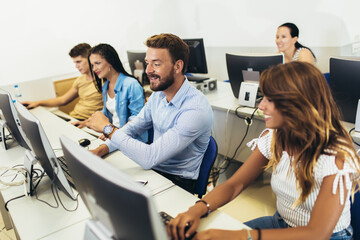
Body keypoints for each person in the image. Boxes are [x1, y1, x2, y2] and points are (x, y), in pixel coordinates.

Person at [167, 62, 360, 240]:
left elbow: (317, 233)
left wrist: (244, 236)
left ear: (297, 105)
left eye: (270, 99)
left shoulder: (336, 158)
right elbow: (235, 184)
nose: (260, 105)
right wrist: (198, 208)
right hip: (281, 223)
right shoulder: (276, 137)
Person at [86, 33, 213, 193]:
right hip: (154, 171)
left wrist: (108, 129)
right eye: (147, 63)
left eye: (156, 64)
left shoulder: (195, 109)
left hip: (177, 183)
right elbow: (134, 128)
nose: (148, 70)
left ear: (178, 66)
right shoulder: (159, 95)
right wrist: (102, 149)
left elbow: (149, 158)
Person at [72, 43, 147, 143]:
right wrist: (85, 123)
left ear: (110, 61)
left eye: (97, 63)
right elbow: (106, 112)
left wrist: (112, 133)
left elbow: (136, 120)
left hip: (131, 139)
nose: (94, 69)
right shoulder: (106, 86)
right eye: (92, 65)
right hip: (114, 136)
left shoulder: (131, 84)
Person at [22, 43, 103, 120]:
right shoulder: (80, 80)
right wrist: (37, 103)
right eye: (75, 63)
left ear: (90, 59)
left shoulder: (103, 80)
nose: (76, 66)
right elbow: (63, 100)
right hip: (73, 117)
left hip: (86, 121)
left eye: (79, 62)